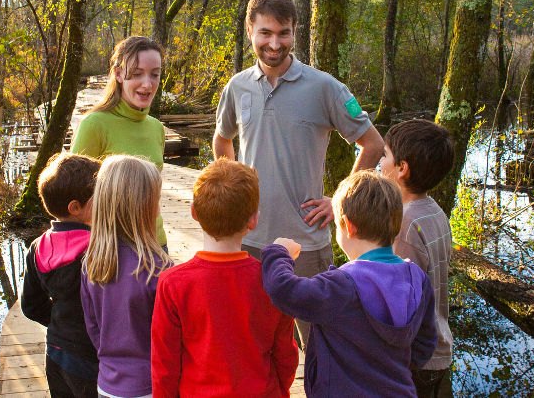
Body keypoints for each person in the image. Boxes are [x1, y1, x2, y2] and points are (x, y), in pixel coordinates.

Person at [212, 0, 385, 347]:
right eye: (265, 33)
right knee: (252, 339)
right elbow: (221, 141)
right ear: (250, 32)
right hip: (248, 241)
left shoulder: (325, 88)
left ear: (294, 32)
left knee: (319, 342)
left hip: (306, 243)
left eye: (283, 33)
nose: (274, 44)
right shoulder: (237, 87)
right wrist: (232, 197)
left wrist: (339, 201)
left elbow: (373, 145)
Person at [261, 170, 437, 397]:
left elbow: (283, 290)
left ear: (347, 225)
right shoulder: (418, 279)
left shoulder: (340, 286)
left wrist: (279, 253)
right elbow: (424, 345)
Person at [151, 158, 299, 398]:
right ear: (254, 220)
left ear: (193, 213)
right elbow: (286, 355)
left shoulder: (172, 284)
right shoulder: (271, 280)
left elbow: (164, 366)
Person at [80, 155, 173, 398]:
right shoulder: (158, 269)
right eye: (157, 200)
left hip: (108, 384)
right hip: (152, 385)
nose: (159, 208)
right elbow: (171, 338)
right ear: (143, 206)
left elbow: (93, 328)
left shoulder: (91, 264)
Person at [380, 119, 455, 397]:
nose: (380, 160)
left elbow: (399, 304)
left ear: (402, 168)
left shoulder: (404, 226)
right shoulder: (435, 211)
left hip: (416, 355)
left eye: (385, 154)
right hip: (438, 344)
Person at [71, 36, 168, 249]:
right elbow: (73, 197)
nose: (147, 84)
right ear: (118, 73)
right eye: (137, 74)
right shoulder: (94, 124)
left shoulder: (156, 128)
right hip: (113, 249)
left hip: (157, 244)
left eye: (155, 75)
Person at [21, 152, 103, 398]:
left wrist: (58, 322)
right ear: (75, 207)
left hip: (56, 351)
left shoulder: (37, 247)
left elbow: (30, 306)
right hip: (90, 356)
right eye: (98, 196)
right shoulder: (97, 248)